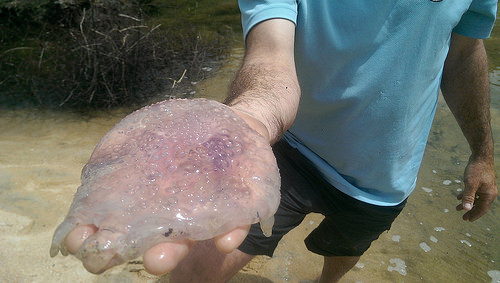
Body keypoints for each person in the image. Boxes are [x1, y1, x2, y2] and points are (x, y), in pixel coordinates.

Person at [63, 0, 498, 282]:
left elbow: (463, 51)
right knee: (191, 275)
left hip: (384, 177)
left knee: (341, 257)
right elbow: (270, 53)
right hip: (283, 152)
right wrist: (252, 117)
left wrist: (483, 153)